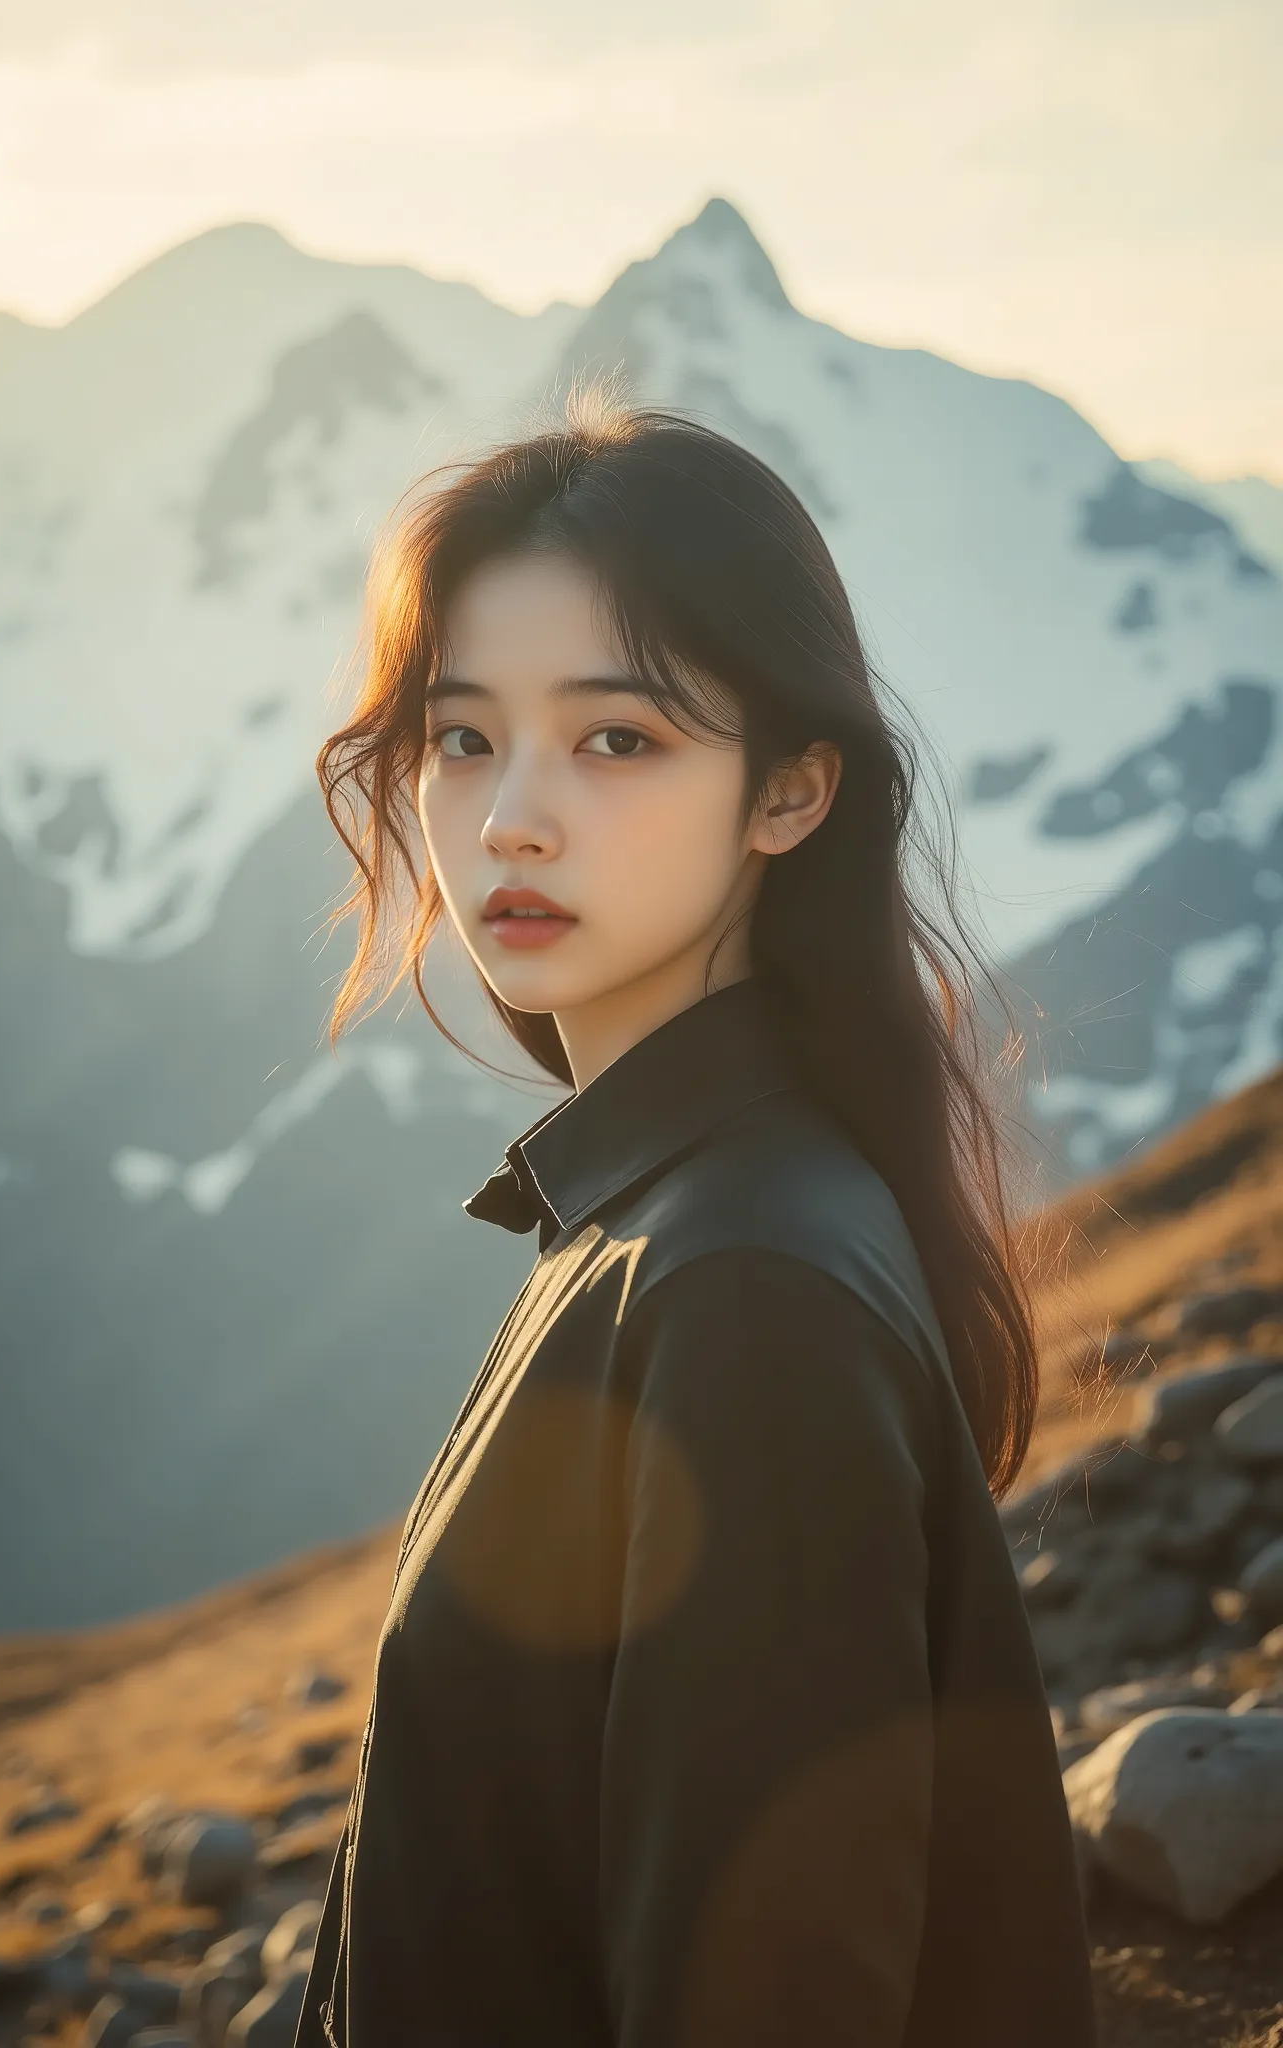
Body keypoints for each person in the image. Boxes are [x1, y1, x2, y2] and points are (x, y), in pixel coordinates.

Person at [291, 389, 1097, 2047]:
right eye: (460, 736)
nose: (509, 815)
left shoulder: (742, 1285)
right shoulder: (675, 1208)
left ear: (791, 794)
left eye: (617, 739)